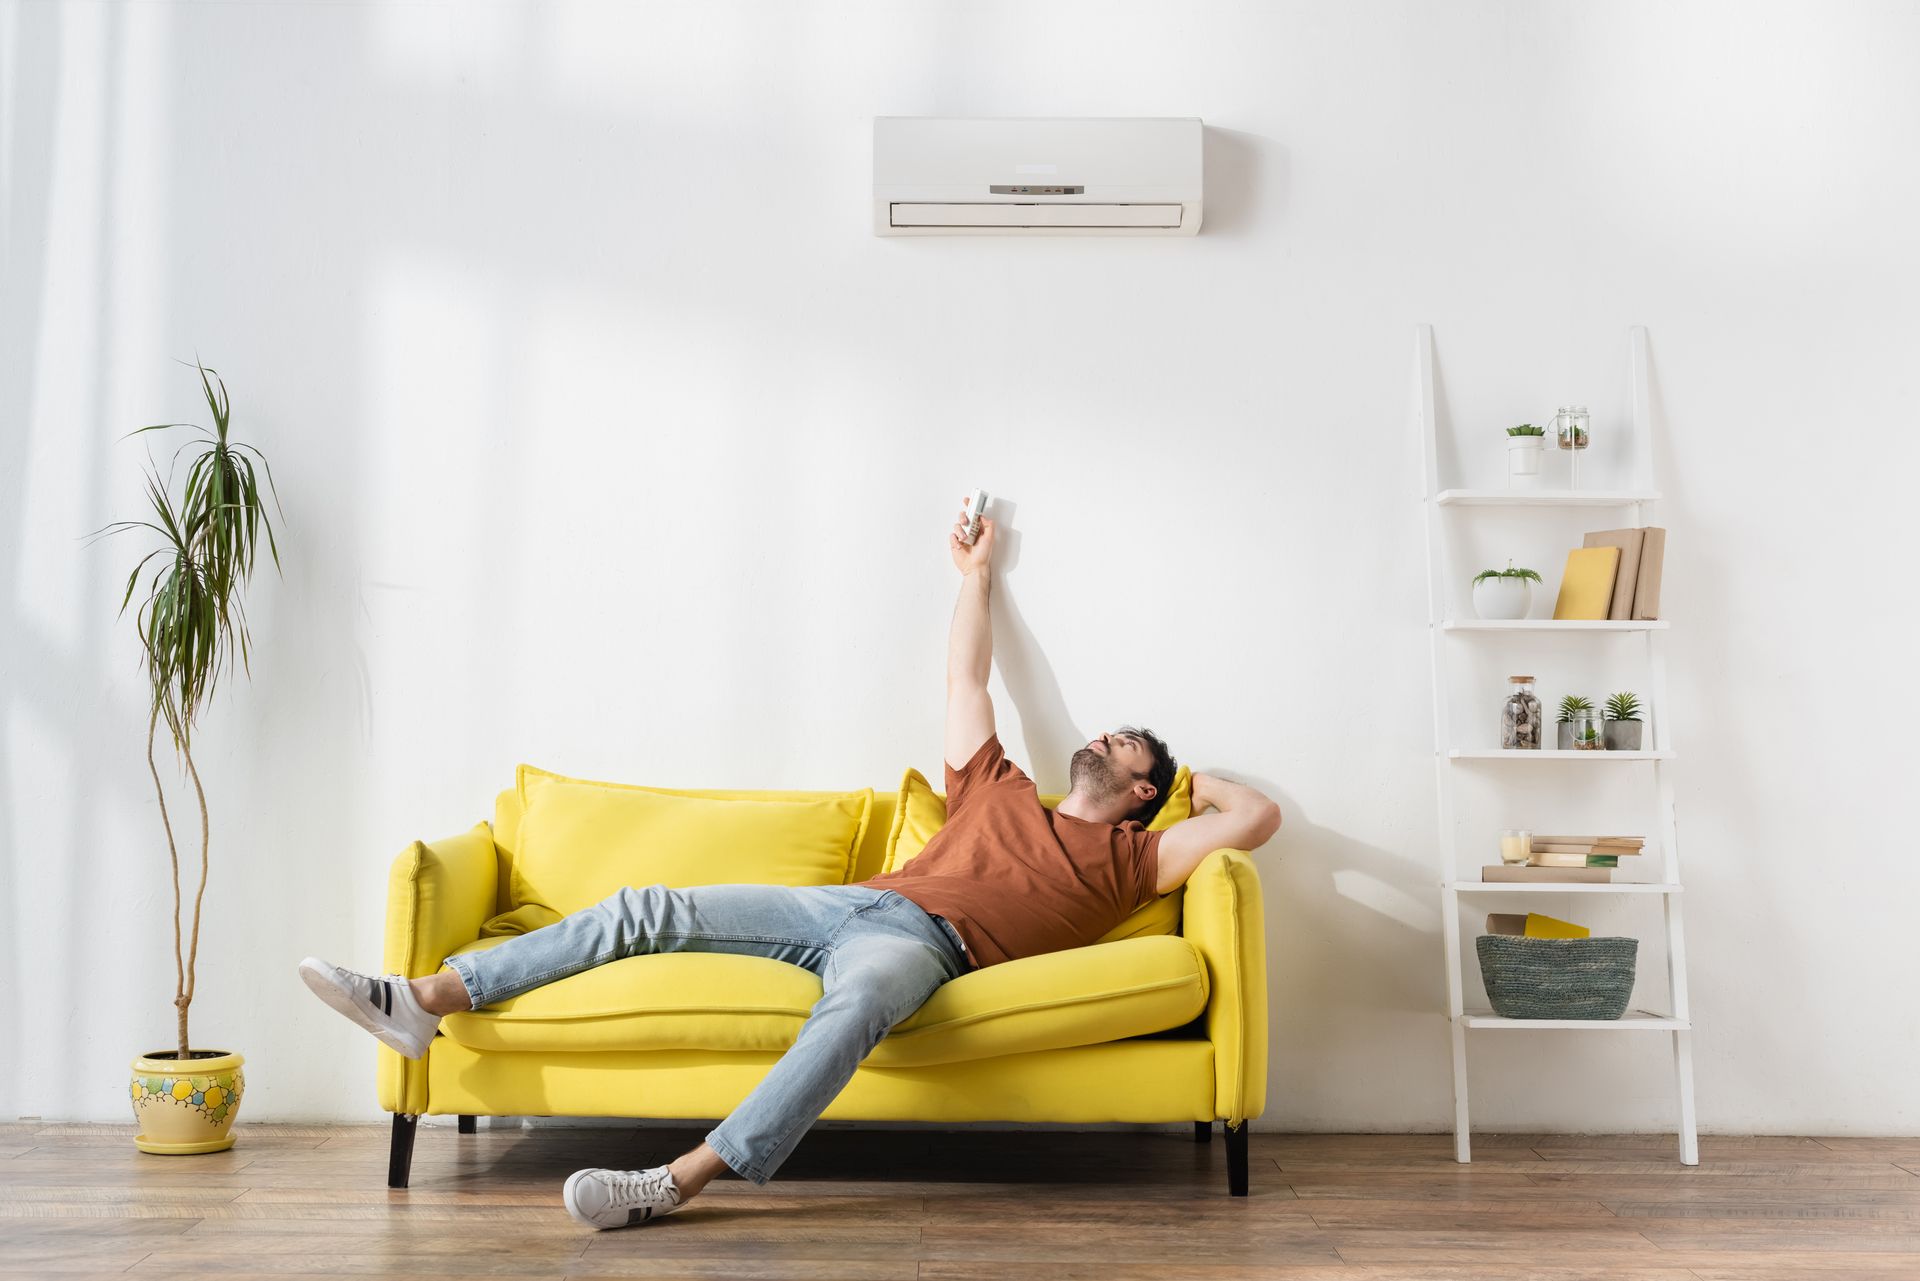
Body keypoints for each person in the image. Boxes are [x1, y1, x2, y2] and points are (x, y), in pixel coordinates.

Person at [299, 500, 1282, 1230]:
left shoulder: (1136, 859)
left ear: (1148, 788)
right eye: (1106, 734)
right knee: (651, 905)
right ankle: (422, 1001)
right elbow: (965, 677)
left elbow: (1261, 814)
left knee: (851, 1017)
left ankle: (675, 1183)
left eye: (1124, 750)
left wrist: (1207, 780)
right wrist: (975, 579)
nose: (1102, 741)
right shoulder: (996, 784)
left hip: (924, 950)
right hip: (845, 905)